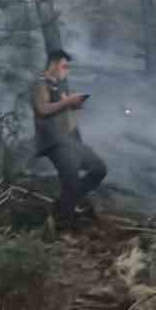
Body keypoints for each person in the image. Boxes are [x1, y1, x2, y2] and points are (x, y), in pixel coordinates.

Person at [32, 48, 107, 224]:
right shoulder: (40, 84)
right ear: (53, 64)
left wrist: (73, 105)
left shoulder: (59, 85)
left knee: (98, 169)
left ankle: (62, 206)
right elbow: (42, 110)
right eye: (64, 66)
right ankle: (62, 222)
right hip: (54, 142)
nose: (67, 70)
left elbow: (63, 110)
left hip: (70, 141)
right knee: (71, 182)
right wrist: (67, 101)